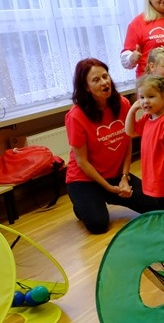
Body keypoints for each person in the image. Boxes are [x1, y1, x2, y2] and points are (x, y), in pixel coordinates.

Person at [65, 58, 158, 234]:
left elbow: (127, 143)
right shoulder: (75, 115)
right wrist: (108, 188)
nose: (104, 82)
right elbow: (81, 161)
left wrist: (124, 177)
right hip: (85, 180)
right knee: (98, 225)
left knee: (155, 205)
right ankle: (84, 204)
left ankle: (104, 196)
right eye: (96, 80)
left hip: (116, 176)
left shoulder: (122, 103)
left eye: (105, 76)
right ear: (86, 87)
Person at [125, 75, 164, 212]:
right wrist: (132, 110)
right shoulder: (147, 118)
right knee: (163, 208)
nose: (145, 101)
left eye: (151, 96)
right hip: (154, 175)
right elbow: (130, 131)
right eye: (142, 97)